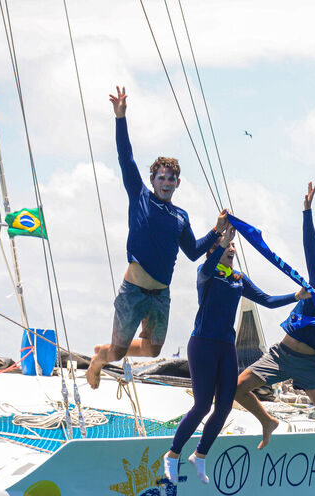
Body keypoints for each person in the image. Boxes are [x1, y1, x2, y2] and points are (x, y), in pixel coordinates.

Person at [87, 86, 229, 389]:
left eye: (170, 179)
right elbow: (126, 157)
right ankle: (99, 357)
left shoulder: (180, 216)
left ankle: (106, 352)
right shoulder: (139, 196)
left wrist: (217, 230)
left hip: (160, 295)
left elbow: (193, 252)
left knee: (153, 349)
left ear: (178, 183)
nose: (165, 182)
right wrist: (120, 118)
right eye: (160, 178)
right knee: (118, 351)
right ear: (152, 180)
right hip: (134, 291)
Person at [233, 183, 315, 476]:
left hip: (308, 362)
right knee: (236, 388)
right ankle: (267, 421)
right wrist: (307, 211)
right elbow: (310, 247)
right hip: (280, 354)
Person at [163, 232, 302, 484]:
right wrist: (221, 239)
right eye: (225, 245)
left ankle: (200, 455)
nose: (231, 248)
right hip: (203, 345)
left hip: (227, 346)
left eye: (232, 244)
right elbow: (207, 263)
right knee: (202, 405)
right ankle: (172, 455)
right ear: (214, 251)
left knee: (225, 405)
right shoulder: (205, 273)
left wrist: (296, 296)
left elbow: (267, 301)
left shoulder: (238, 279)